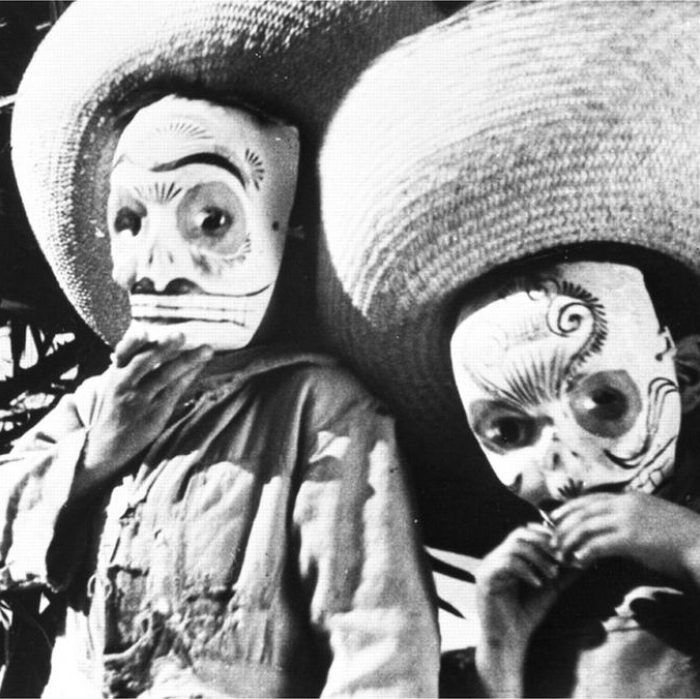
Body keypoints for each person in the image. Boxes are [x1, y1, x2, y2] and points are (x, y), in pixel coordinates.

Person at [1, 1, 443, 696]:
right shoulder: (98, 403)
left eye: (211, 219)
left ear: (283, 227)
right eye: (130, 221)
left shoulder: (318, 412)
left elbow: (379, 647)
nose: (158, 267)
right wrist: (94, 456)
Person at [316, 2, 700, 696]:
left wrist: (683, 541)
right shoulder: (545, 586)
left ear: (688, 374)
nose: (565, 467)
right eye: (509, 430)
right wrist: (503, 639)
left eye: (602, 401)